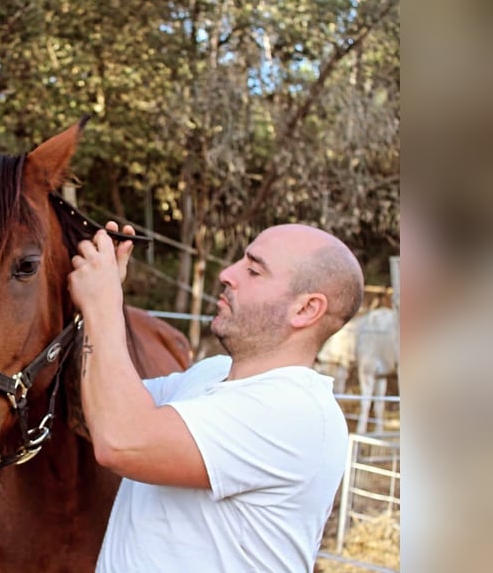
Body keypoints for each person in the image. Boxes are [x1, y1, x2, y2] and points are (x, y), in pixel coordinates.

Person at [67, 222, 364, 573]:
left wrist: (103, 306)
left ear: (305, 310)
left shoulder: (297, 412)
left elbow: (121, 439)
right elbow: (100, 408)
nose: (227, 273)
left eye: (254, 270)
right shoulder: (211, 372)